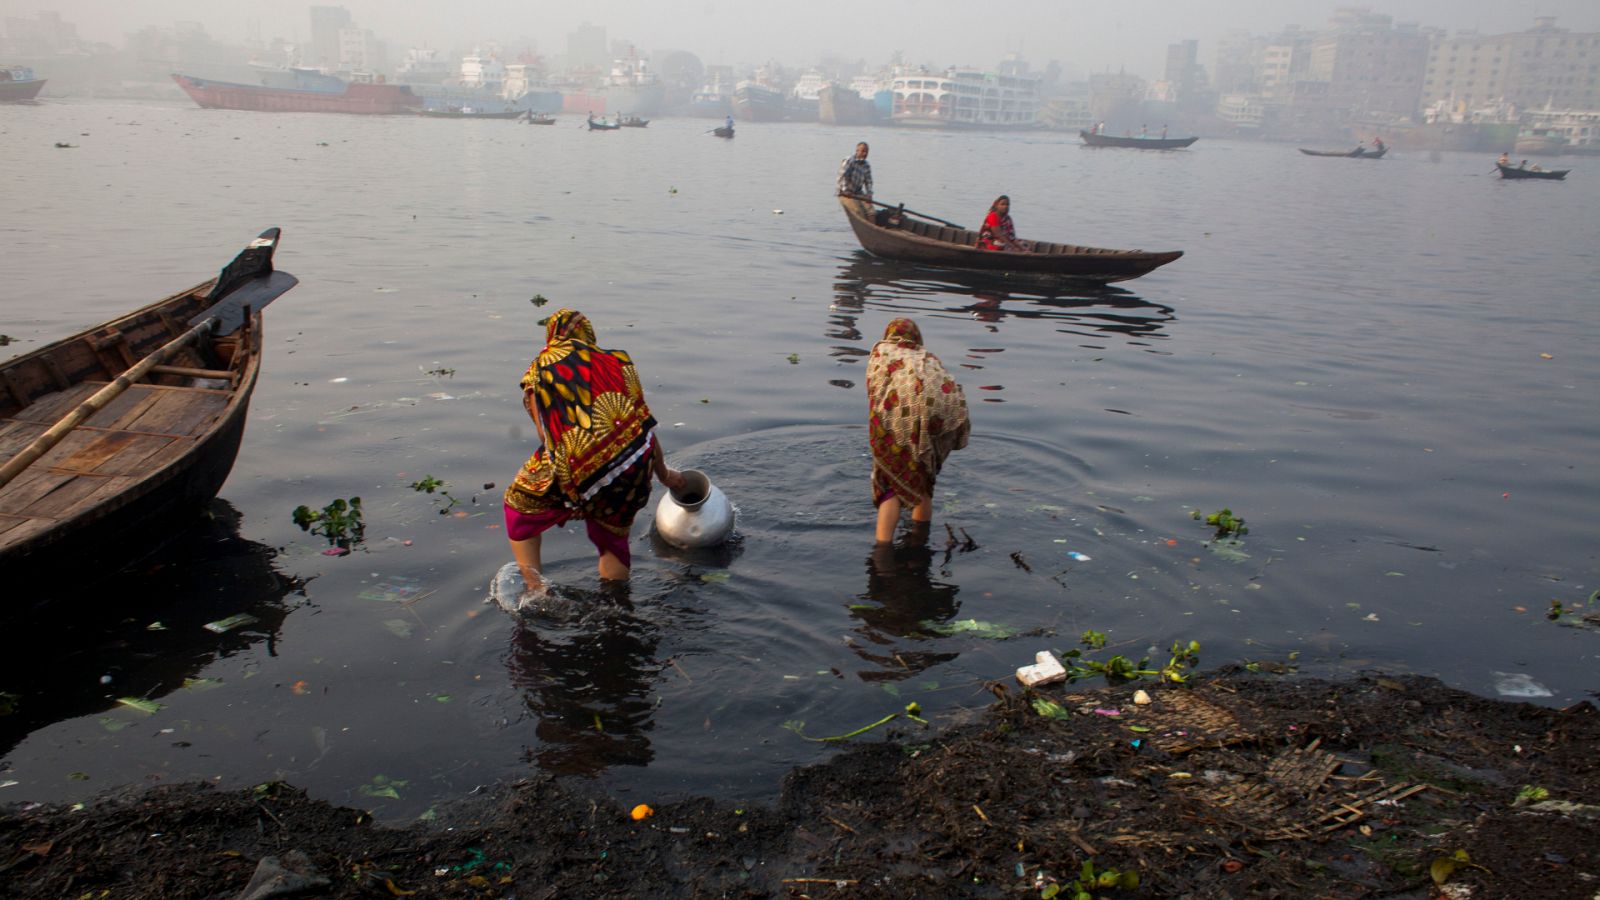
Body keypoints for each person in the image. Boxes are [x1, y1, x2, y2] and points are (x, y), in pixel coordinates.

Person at [503, 308, 684, 588]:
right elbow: (642, 423)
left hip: (576, 465)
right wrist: (663, 473)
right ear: (587, 333)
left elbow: (546, 436)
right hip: (632, 466)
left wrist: (575, 492)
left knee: (517, 506)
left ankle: (536, 591)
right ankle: (615, 604)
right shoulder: (618, 361)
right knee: (612, 540)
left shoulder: (541, 369)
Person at [866, 319, 969, 544]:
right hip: (936, 414)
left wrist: (882, 438)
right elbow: (949, 390)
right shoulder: (929, 358)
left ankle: (883, 548)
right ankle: (920, 535)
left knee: (890, 484)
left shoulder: (881, 351)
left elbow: (875, 395)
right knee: (923, 473)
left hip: (900, 417)